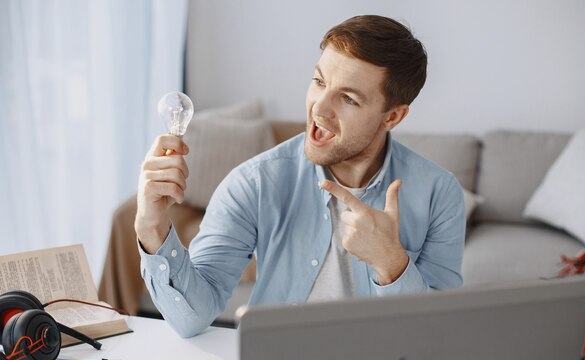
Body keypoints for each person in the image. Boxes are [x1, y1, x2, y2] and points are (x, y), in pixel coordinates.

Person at [135, 15, 465, 337]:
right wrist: (151, 226)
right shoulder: (255, 182)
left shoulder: (439, 192)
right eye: (319, 81)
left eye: (348, 98)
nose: (319, 108)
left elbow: (436, 338)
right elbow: (191, 318)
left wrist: (391, 263)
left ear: (392, 116)